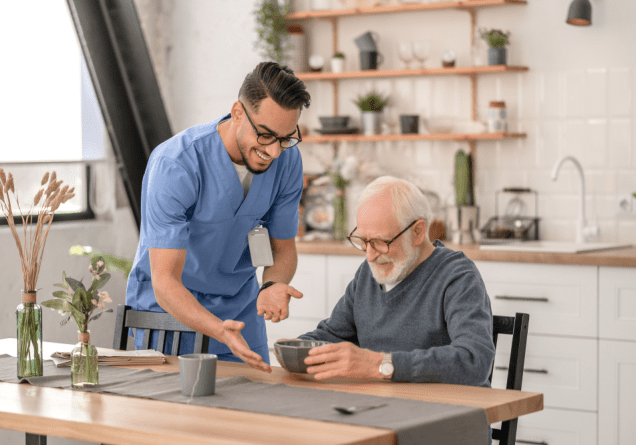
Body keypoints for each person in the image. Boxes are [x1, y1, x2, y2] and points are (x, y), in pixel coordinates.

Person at [125, 62, 311, 373]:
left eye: (285, 138)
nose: (275, 151)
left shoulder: (288, 162)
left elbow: (283, 250)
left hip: (238, 307)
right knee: (175, 416)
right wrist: (216, 329)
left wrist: (272, 285)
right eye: (265, 135)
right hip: (170, 310)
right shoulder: (176, 164)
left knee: (252, 410)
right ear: (238, 112)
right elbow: (165, 281)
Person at [292, 176, 495, 386]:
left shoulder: (457, 275)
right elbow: (332, 335)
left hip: (449, 411)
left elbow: (474, 360)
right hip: (383, 407)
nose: (369, 255)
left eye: (380, 242)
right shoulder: (369, 273)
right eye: (363, 240)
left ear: (417, 232)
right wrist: (294, 347)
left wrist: (379, 365)